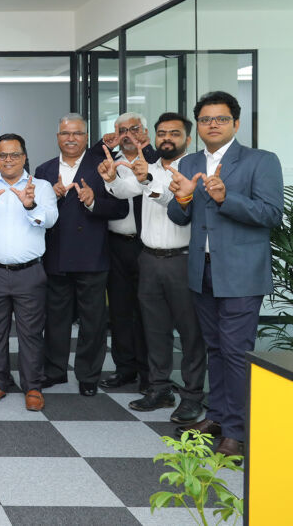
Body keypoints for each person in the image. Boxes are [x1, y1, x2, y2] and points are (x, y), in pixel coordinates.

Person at [168, 91, 282, 458]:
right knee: (214, 348)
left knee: (235, 352)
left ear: (236, 123)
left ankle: (236, 430)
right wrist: (184, 198)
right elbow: (178, 217)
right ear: (198, 126)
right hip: (201, 270)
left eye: (220, 119)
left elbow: (271, 215)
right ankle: (217, 416)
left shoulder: (260, 161)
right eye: (205, 119)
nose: (212, 124)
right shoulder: (189, 163)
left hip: (240, 274)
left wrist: (224, 197)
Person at [101, 112, 206, 424]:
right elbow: (126, 190)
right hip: (148, 258)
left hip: (182, 259)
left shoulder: (195, 170)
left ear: (188, 138)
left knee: (190, 333)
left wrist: (148, 180)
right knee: (154, 329)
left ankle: (192, 396)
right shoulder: (150, 166)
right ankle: (159, 388)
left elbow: (176, 205)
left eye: (174, 133)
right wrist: (111, 179)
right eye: (162, 133)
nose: (167, 138)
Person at [35, 113, 127, 397]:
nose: (71, 138)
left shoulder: (102, 166)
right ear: (57, 137)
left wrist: (93, 202)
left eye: (77, 133)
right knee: (56, 319)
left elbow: (120, 209)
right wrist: (49, 198)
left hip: (92, 255)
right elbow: (33, 213)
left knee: (93, 321)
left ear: (86, 137)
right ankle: (54, 370)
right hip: (55, 255)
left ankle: (88, 375)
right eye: (65, 133)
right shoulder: (44, 170)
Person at [0, 134, 57, 411]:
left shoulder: (40, 187)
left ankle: (33, 386)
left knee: (31, 333)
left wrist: (30, 205)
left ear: (24, 157)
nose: (8, 160)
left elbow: (51, 220)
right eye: (3, 155)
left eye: (14, 155)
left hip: (29, 273)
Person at [98, 113, 157, 393]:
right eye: (122, 130)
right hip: (116, 245)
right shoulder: (109, 160)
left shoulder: (157, 160)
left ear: (145, 131)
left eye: (134, 129)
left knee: (146, 312)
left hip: (146, 246)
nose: (128, 135)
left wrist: (148, 150)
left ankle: (149, 374)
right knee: (120, 311)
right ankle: (125, 369)